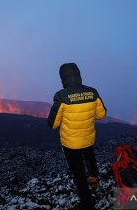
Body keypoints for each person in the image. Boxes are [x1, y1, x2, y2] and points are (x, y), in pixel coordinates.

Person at [47, 63, 106, 210]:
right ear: (78, 74)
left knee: (78, 173)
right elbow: (101, 115)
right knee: (89, 157)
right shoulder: (93, 92)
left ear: (63, 78)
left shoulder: (61, 96)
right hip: (88, 138)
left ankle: (86, 204)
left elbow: (53, 124)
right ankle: (94, 180)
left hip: (70, 143)